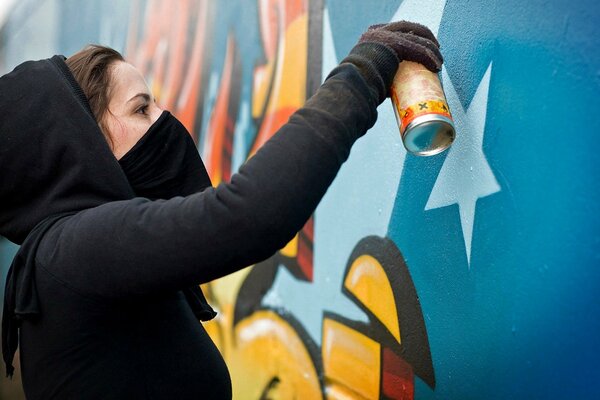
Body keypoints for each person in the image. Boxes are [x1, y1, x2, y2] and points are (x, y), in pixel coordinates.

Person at [0, 21, 442, 399]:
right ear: (84, 145)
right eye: (142, 108)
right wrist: (362, 73)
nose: (165, 119)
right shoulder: (76, 248)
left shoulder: (66, 259)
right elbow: (251, 215)